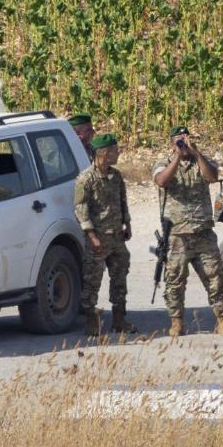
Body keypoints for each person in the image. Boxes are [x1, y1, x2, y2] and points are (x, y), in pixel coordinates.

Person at [152, 125, 223, 337]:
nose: (183, 143)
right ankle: (177, 322)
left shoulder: (201, 160)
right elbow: (161, 181)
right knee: (175, 281)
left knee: (215, 278)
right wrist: (177, 158)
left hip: (202, 232)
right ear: (171, 143)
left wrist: (196, 153)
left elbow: (212, 177)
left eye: (185, 139)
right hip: (177, 234)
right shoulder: (163, 163)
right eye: (178, 140)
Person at [74, 133, 137, 336]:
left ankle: (119, 320)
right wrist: (92, 237)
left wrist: (127, 224)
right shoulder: (86, 179)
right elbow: (80, 210)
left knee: (120, 279)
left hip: (117, 237)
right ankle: (92, 322)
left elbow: (122, 201)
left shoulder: (116, 176)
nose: (118, 153)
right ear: (104, 153)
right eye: (115, 150)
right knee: (92, 281)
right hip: (98, 239)